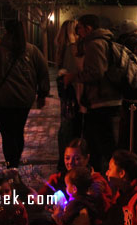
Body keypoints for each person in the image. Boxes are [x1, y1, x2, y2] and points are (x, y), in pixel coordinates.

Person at [0, 19, 49, 167]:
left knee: (7, 133)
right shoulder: (32, 50)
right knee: (18, 130)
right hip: (24, 99)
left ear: (6, 31)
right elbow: (43, 72)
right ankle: (15, 161)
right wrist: (42, 94)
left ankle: (12, 163)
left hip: (4, 100)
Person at [64, 14, 122, 173]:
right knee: (96, 143)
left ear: (88, 28)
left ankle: (111, 176)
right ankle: (99, 175)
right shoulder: (104, 41)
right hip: (102, 100)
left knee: (100, 144)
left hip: (100, 101)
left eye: (79, 28)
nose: (78, 32)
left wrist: (73, 76)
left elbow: (96, 72)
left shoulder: (94, 44)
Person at [39, 138, 113, 212]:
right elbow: (39, 200)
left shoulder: (96, 181)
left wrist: (98, 196)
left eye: (77, 159)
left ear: (87, 158)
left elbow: (107, 211)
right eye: (67, 158)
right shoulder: (58, 179)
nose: (71, 162)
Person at [55, 19, 82, 171]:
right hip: (73, 93)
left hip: (66, 94)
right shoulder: (72, 49)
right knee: (70, 127)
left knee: (65, 125)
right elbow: (75, 72)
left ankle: (64, 160)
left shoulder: (61, 48)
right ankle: (68, 162)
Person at [117, 29, 137, 153]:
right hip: (134, 99)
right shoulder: (131, 62)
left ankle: (132, 150)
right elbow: (132, 82)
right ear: (135, 48)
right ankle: (130, 152)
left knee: (135, 128)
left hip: (136, 98)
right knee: (132, 128)